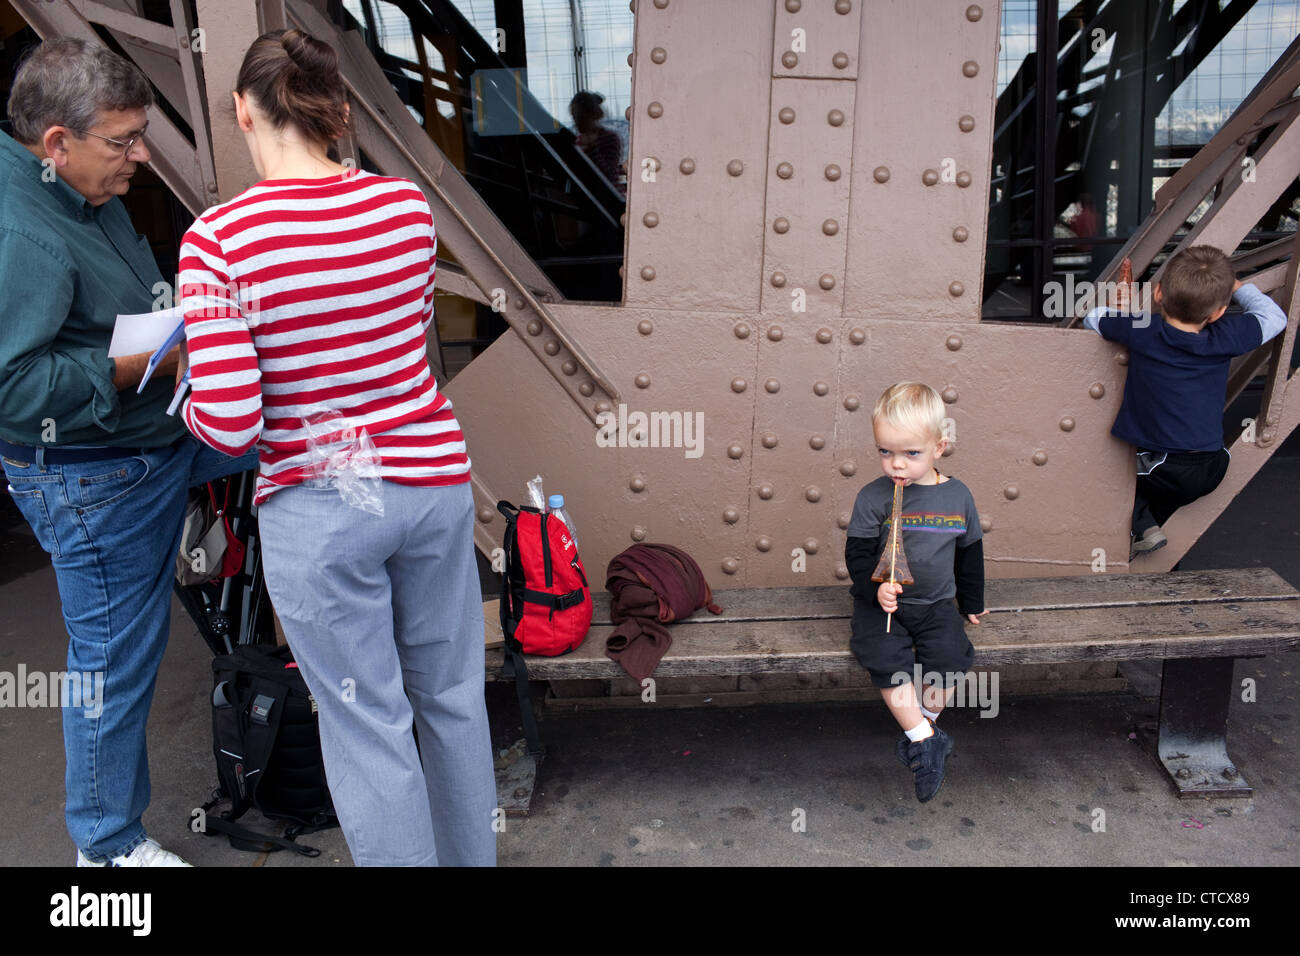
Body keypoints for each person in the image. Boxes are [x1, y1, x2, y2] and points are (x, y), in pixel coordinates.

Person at [176, 28, 497, 866]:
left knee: (366, 725)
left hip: (322, 511)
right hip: (429, 487)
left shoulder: (218, 242)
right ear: (340, 111)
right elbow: (400, 347)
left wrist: (187, 377)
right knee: (454, 700)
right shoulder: (404, 211)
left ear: (243, 111)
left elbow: (234, 425)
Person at [0, 38, 255, 866]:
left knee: (299, 440)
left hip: (154, 437)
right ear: (57, 142)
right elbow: (12, 388)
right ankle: (105, 848)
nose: (141, 155)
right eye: (124, 140)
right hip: (96, 475)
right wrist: (141, 360)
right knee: (112, 660)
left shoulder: (77, 183)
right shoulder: (20, 233)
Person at [1083, 246, 1287, 559]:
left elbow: (1094, 319)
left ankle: (1143, 523)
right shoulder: (1226, 334)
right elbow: (1274, 317)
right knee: (1158, 501)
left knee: (1107, 471)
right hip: (1212, 464)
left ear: (1159, 294)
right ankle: (1148, 530)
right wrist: (1237, 287)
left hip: (1164, 467)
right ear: (1218, 312)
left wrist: (1121, 305)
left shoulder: (1143, 330)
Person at [844, 383, 987, 803]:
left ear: (939, 447)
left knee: (950, 658)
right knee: (884, 656)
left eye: (911, 454)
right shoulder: (873, 497)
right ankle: (926, 741)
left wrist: (973, 602)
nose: (896, 465)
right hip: (885, 605)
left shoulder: (957, 496)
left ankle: (922, 729)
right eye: (885, 452)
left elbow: (970, 552)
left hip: (936, 602)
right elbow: (857, 555)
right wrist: (874, 592)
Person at [569, 90, 624, 196]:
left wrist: (591, 148)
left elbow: (608, 174)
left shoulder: (609, 138)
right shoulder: (610, 138)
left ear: (591, 115)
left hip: (609, 198)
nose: (576, 122)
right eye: (574, 117)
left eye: (579, 117)